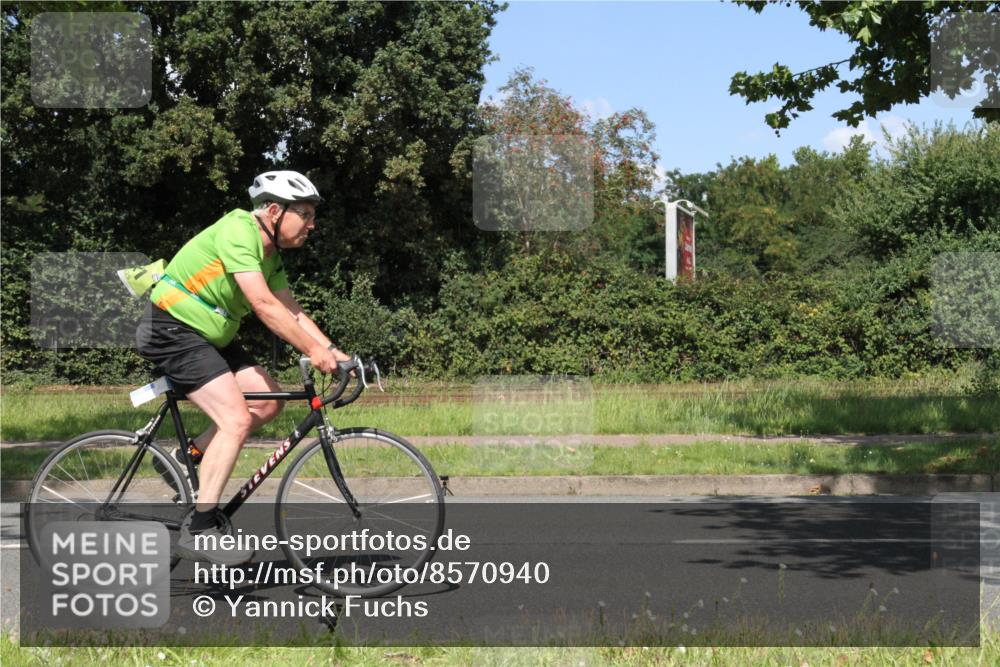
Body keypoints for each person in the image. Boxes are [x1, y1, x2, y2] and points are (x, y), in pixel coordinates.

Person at [135, 170, 351, 565]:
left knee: (267, 402)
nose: (312, 224)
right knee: (234, 419)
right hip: (171, 328)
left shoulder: (272, 256)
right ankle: (201, 529)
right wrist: (312, 351)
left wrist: (333, 351)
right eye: (304, 214)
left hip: (208, 335)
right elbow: (263, 305)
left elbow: (290, 309)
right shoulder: (238, 231)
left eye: (312, 215)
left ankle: (189, 456)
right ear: (274, 211)